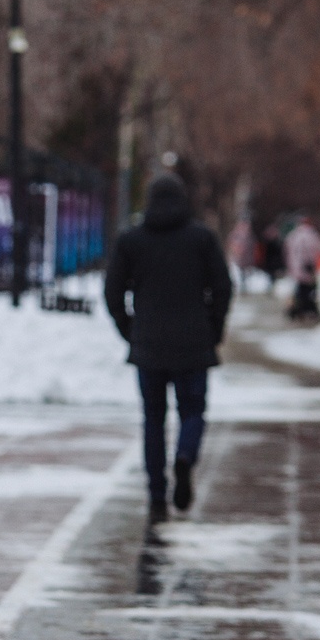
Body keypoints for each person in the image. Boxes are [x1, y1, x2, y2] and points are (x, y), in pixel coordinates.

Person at [105, 174, 233, 523]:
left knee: (153, 419)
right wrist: (214, 329)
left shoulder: (132, 241)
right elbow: (222, 286)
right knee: (193, 412)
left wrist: (128, 329)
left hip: (148, 345)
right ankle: (186, 456)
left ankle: (157, 492)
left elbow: (112, 291)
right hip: (194, 344)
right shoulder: (201, 239)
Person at [284, 215, 320, 322]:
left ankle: (296, 310)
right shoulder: (311, 235)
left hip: (296, 268)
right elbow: (314, 251)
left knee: (300, 290)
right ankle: (306, 310)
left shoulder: (293, 235)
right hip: (307, 267)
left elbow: (288, 251)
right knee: (308, 291)